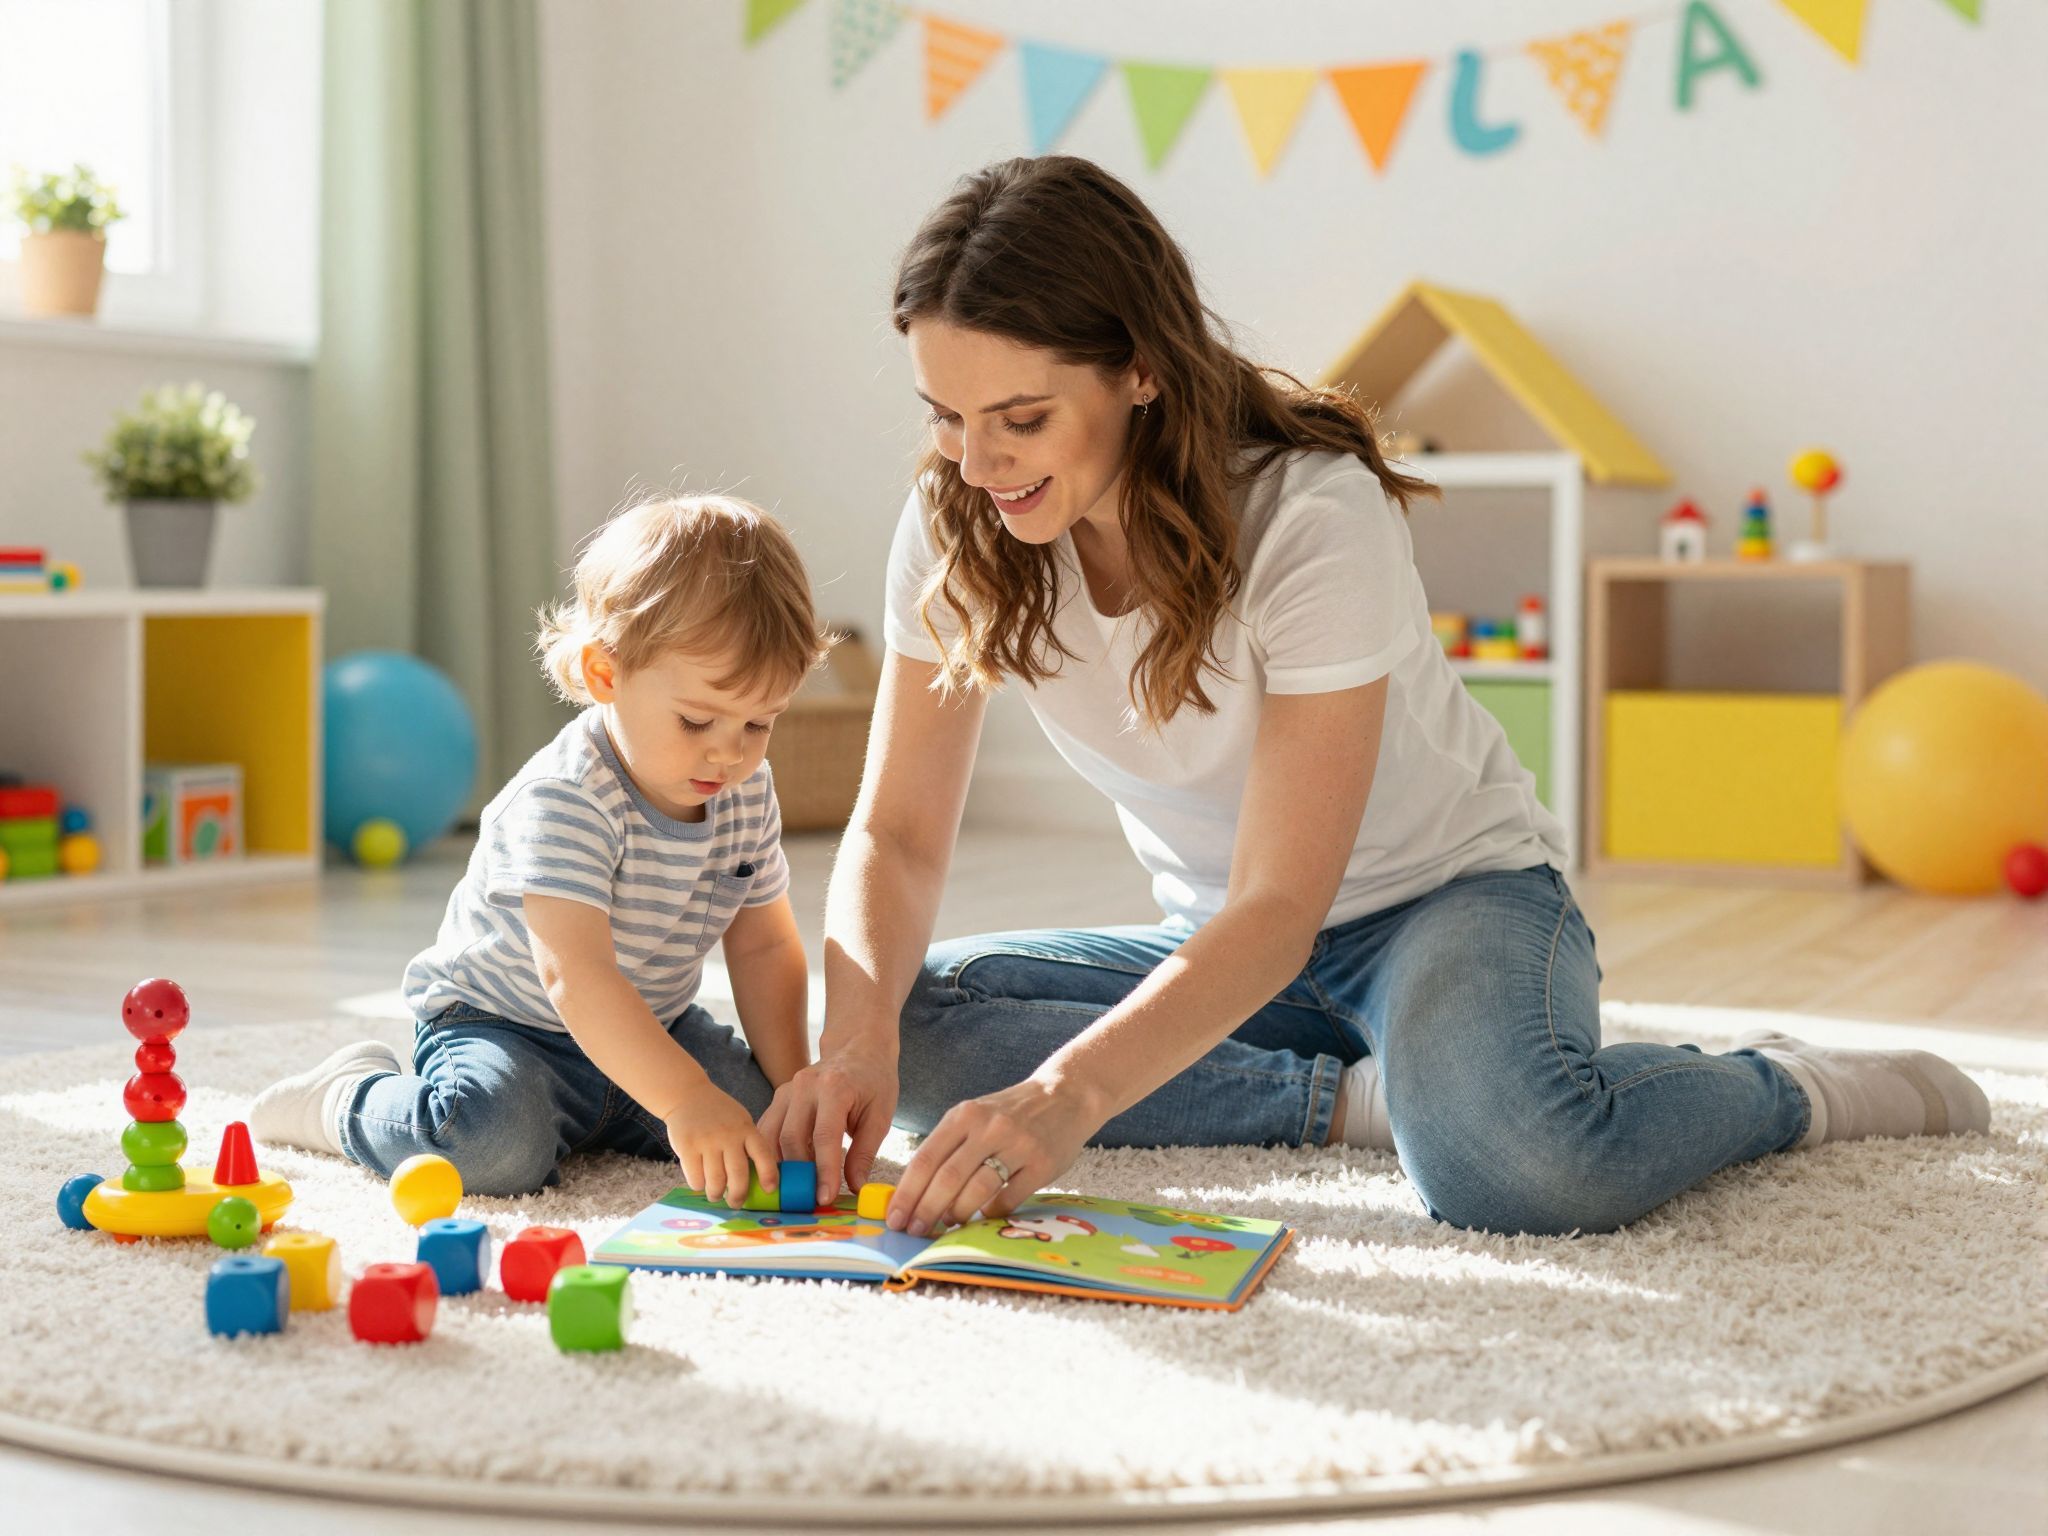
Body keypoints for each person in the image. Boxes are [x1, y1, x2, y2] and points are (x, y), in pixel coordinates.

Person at [759, 155, 1989, 1237]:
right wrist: (854, 1044)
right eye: (946, 420)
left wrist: (1069, 1095)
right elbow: (898, 834)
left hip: (1445, 904)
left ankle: (1782, 1085)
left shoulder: (1308, 516)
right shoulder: (956, 519)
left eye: (1019, 418)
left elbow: (1285, 901)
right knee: (904, 1025)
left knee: (1520, 1165)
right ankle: (1365, 1100)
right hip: (1220, 942)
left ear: (1137, 369)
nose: (977, 466)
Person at [253, 495, 825, 1202]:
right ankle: (346, 1098)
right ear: (605, 675)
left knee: (762, 1128)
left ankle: (625, 1112)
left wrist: (797, 1088)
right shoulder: (568, 796)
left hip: (649, 1025)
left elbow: (766, 948)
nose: (728, 752)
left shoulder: (745, 789)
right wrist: (682, 1100)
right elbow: (576, 977)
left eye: (759, 724)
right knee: (493, 1147)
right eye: (698, 719)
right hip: (510, 1029)